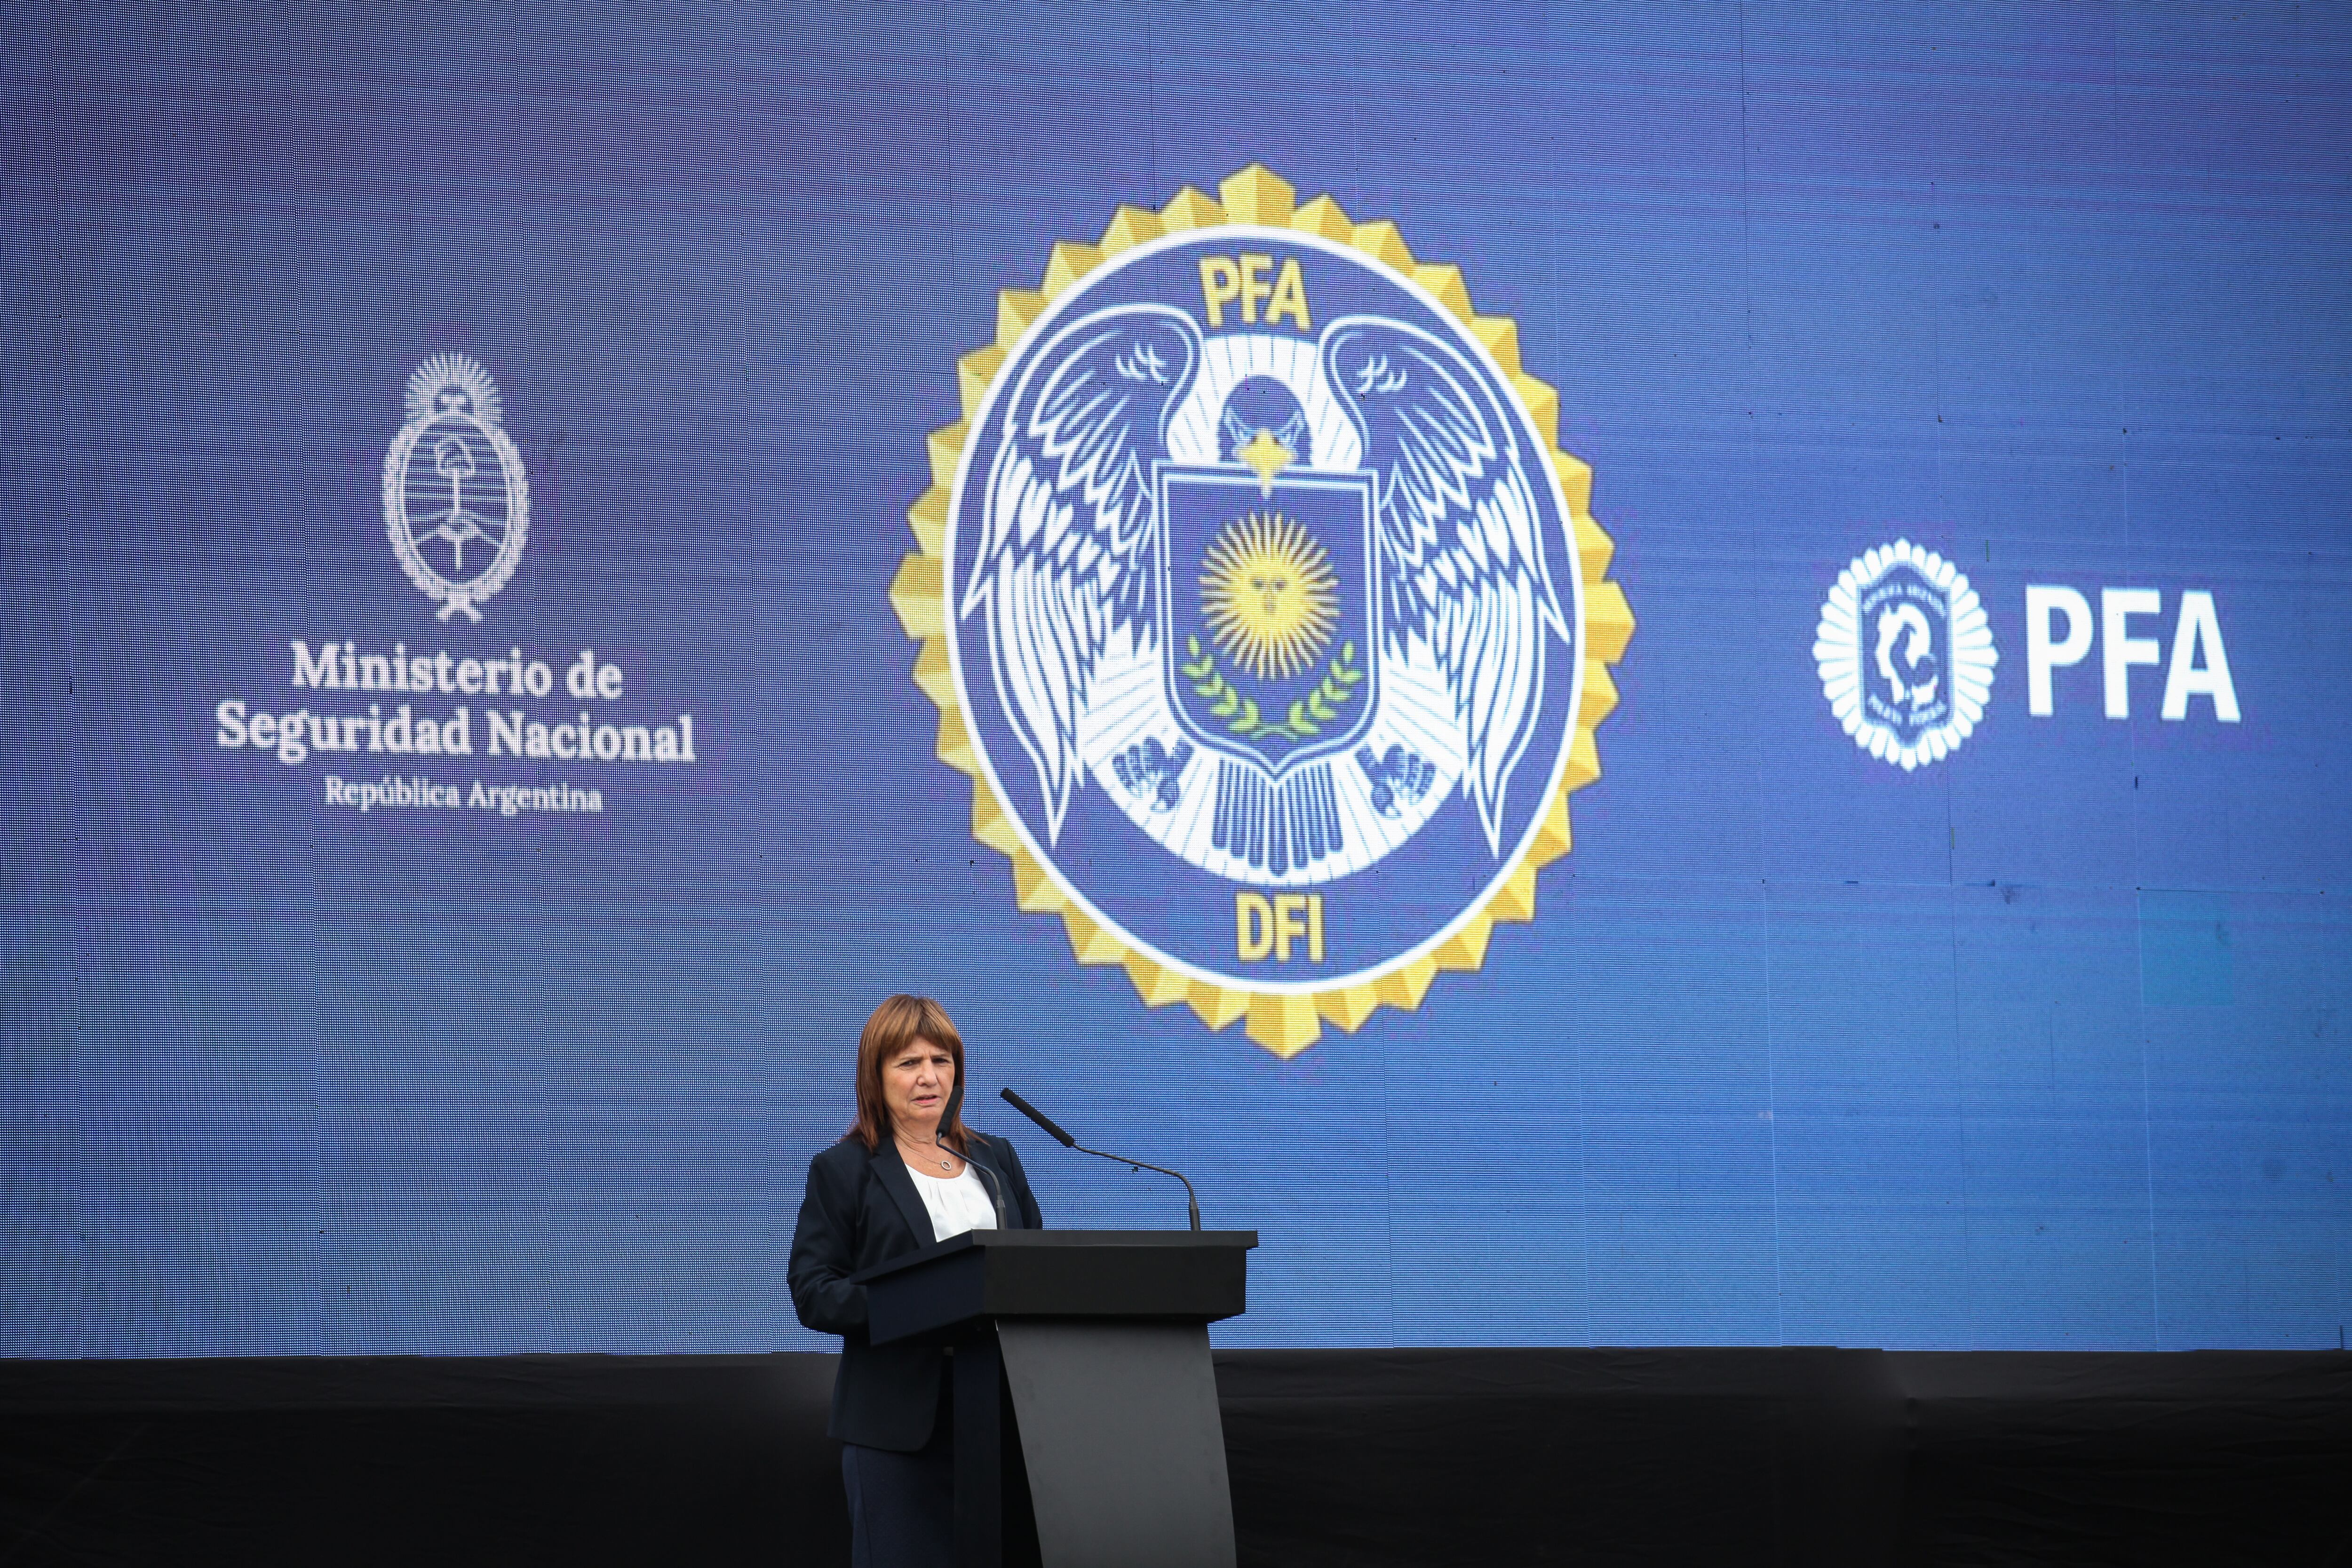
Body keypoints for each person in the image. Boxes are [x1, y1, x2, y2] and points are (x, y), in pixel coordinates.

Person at [788, 994, 1044, 1567]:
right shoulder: (845, 1169)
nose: (928, 1077)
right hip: (897, 1426)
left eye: (941, 1060)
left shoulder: (994, 1160)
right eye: (907, 1063)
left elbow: (1033, 1268)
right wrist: (921, 1304)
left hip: (1004, 1417)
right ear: (875, 1075)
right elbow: (814, 1291)